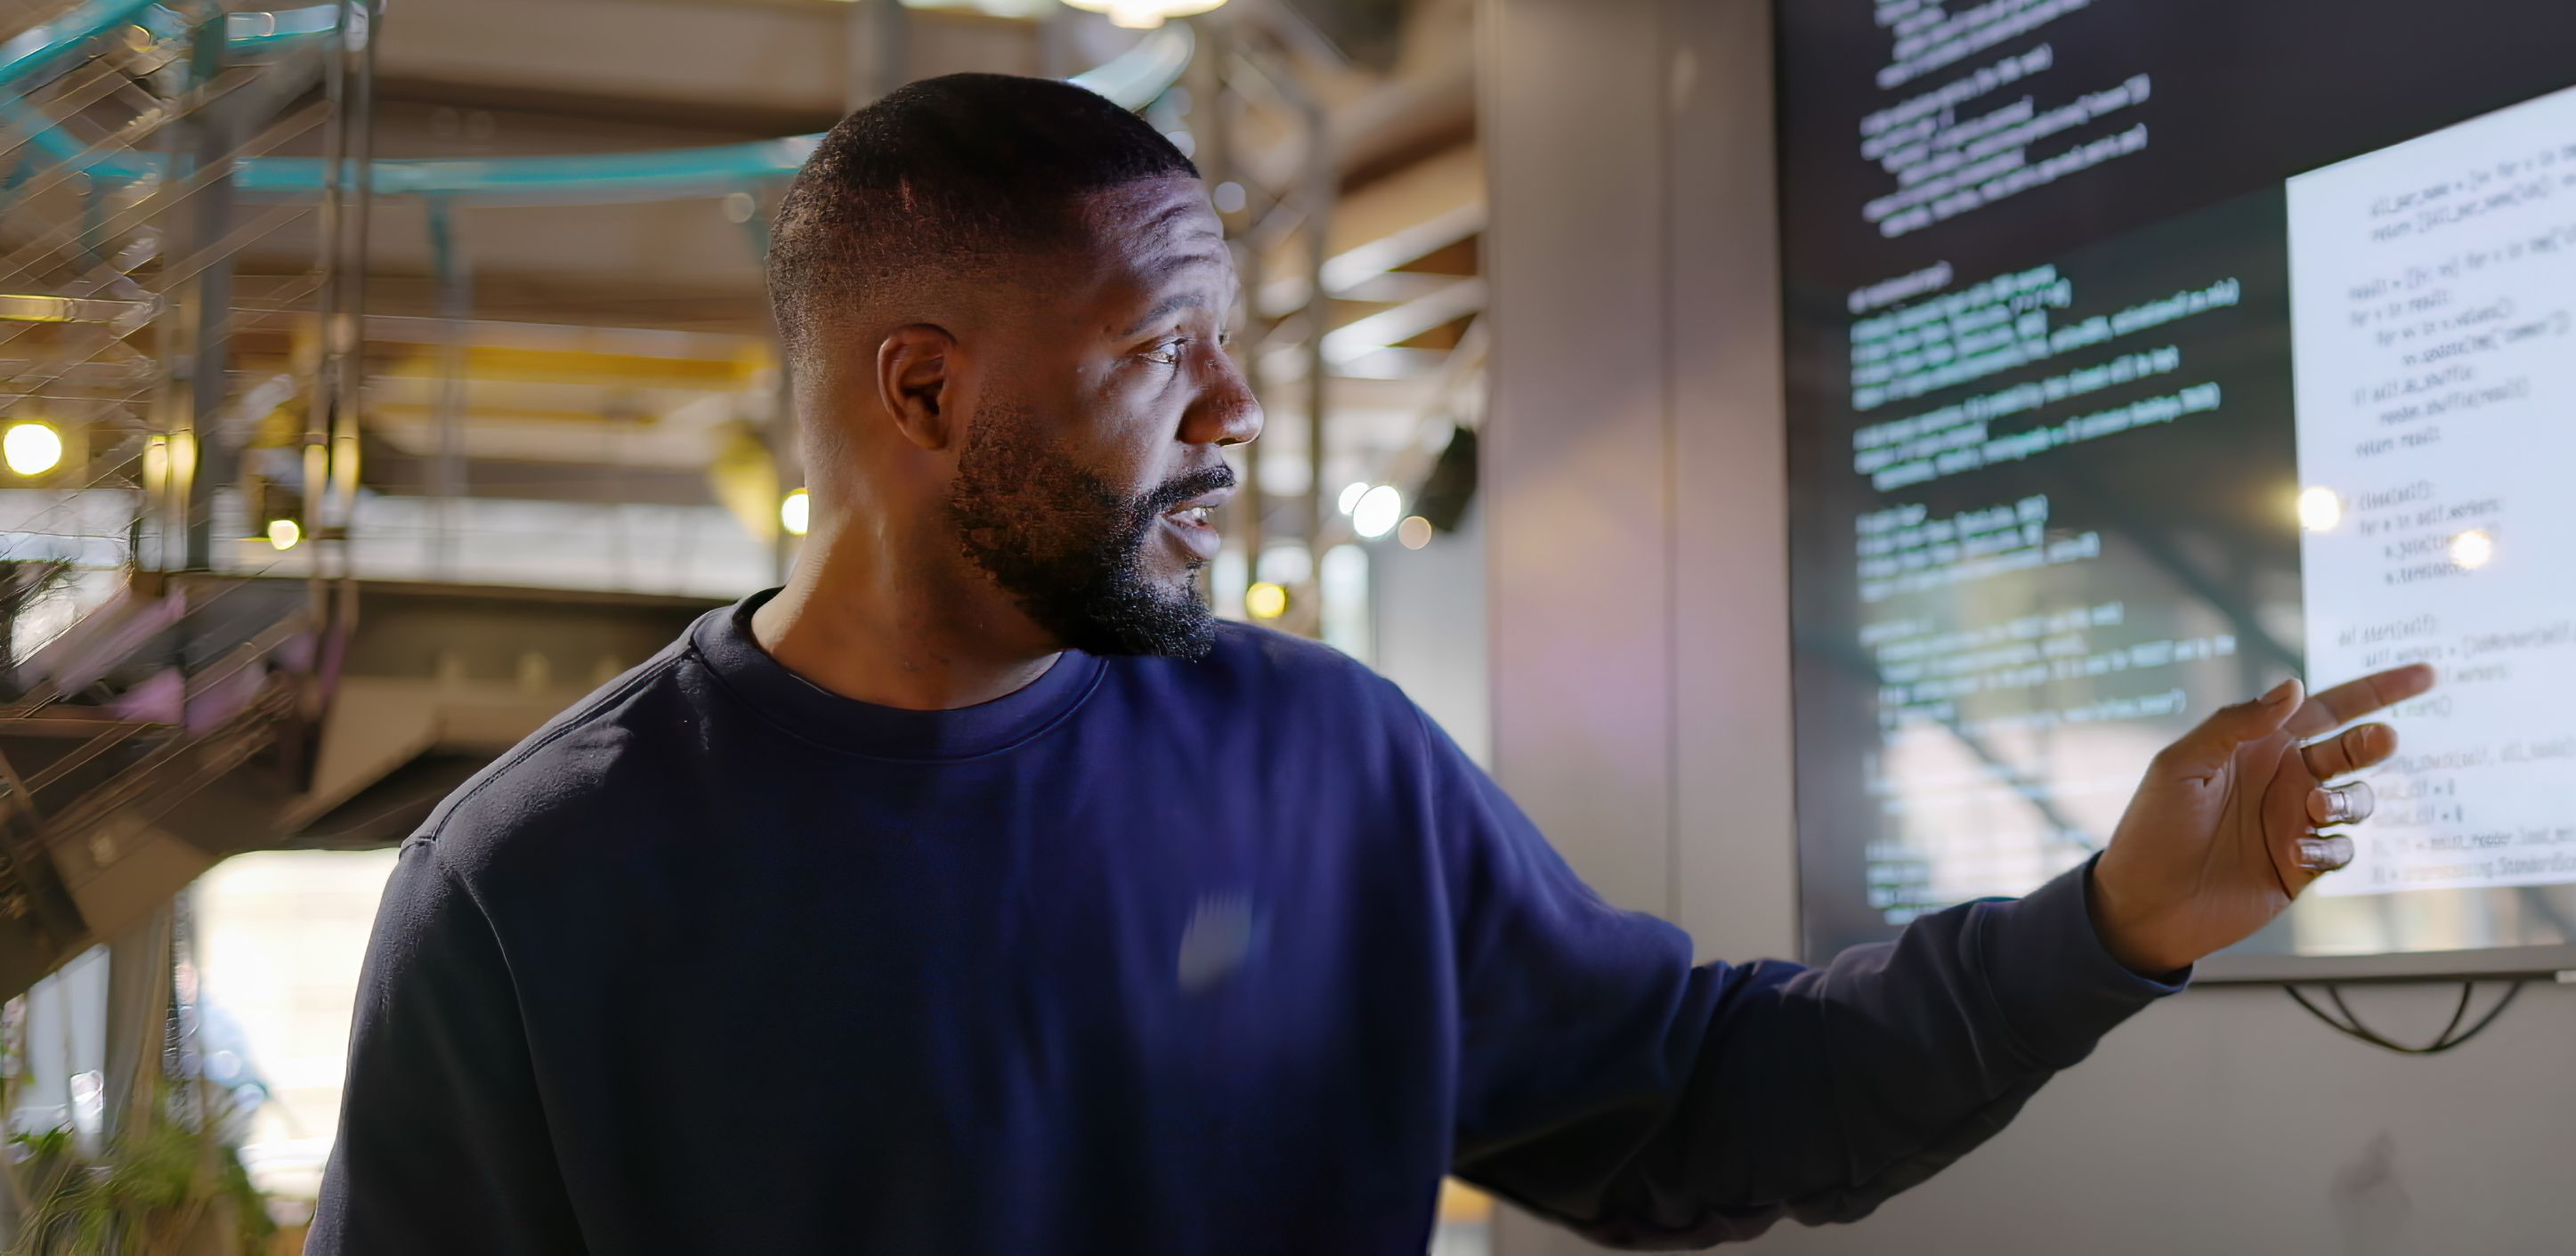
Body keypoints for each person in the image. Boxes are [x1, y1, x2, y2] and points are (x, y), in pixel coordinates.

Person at [309, 74, 2431, 1252]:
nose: (1236, 420)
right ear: (928, 392)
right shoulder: (538, 890)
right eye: (1159, 359)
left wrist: (2114, 925)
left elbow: (1693, 1103)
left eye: (1238, 354)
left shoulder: (1326, 763)